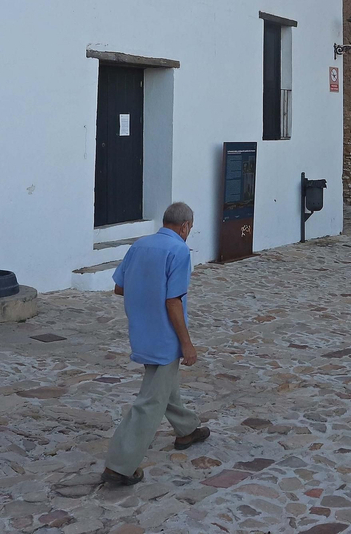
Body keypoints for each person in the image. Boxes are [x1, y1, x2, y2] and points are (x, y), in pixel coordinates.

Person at [101, 201, 210, 486]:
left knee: (163, 386)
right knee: (150, 400)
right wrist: (187, 343)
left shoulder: (139, 245)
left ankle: (187, 429)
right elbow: (173, 300)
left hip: (141, 330)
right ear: (185, 226)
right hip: (165, 335)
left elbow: (119, 287)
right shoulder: (179, 250)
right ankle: (120, 465)